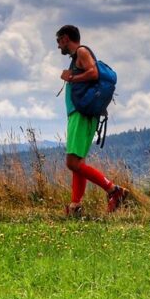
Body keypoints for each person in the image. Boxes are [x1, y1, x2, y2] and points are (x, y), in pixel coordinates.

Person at [56, 25, 129, 216]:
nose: (58, 46)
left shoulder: (81, 51)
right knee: (78, 162)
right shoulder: (77, 56)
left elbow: (93, 73)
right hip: (81, 114)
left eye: (58, 41)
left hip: (81, 114)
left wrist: (71, 76)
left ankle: (114, 190)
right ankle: (75, 206)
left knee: (72, 163)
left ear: (66, 38)